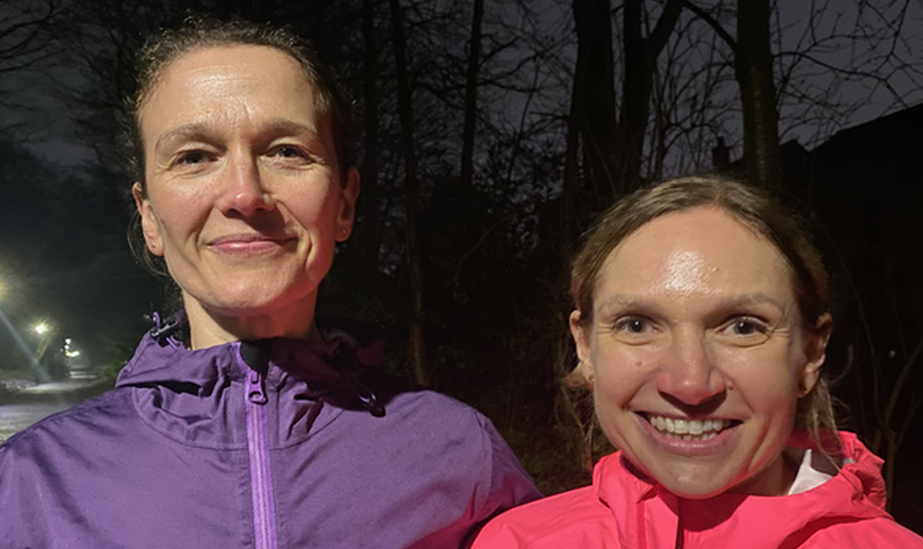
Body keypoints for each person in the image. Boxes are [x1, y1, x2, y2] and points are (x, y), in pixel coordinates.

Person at [0, 18, 540, 548]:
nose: (244, 193)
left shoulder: (463, 455)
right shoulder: (32, 481)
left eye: (286, 151)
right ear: (148, 217)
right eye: (194, 157)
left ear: (345, 204)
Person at [471, 175, 923, 548]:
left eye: (742, 326)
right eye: (637, 325)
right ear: (586, 347)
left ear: (811, 353)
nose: (691, 384)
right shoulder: (516, 541)